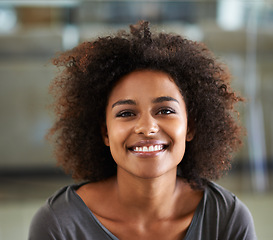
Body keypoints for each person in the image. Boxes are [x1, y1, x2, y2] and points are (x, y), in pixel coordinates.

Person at [29, 21, 256, 240]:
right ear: (105, 132)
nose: (147, 128)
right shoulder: (58, 225)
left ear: (191, 127)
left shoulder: (227, 220)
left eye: (165, 111)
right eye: (126, 113)